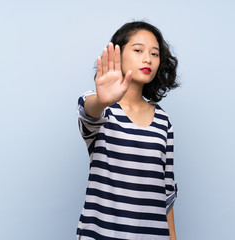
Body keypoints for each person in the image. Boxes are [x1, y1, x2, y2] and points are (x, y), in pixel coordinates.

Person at [76, 21, 179, 240]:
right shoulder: (102, 110)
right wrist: (102, 100)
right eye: (138, 50)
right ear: (118, 54)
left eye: (154, 53)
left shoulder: (163, 121)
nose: (148, 59)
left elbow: (167, 191)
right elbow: (89, 112)